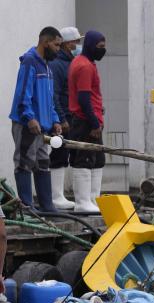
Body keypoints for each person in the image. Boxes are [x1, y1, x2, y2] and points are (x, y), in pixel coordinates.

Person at [8, 27, 63, 212]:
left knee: (42, 163)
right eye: (56, 45)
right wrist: (29, 118)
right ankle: (27, 207)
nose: (58, 49)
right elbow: (23, 93)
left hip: (43, 127)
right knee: (24, 161)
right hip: (28, 125)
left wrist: (55, 120)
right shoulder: (30, 62)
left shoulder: (47, 67)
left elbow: (49, 99)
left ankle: (47, 206)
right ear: (45, 42)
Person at [67, 30, 106, 214]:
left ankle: (92, 199)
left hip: (91, 118)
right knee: (84, 159)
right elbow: (83, 98)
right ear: (91, 46)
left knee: (97, 160)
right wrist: (94, 123)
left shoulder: (84, 62)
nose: (103, 50)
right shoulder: (85, 66)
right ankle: (83, 201)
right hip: (85, 122)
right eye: (100, 46)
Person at [49, 26, 81, 210]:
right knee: (58, 154)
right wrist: (61, 118)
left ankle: (58, 195)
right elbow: (56, 94)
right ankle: (56, 196)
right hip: (63, 117)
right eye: (76, 42)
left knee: (64, 154)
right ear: (67, 43)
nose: (78, 45)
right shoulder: (57, 65)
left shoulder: (70, 62)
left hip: (69, 116)